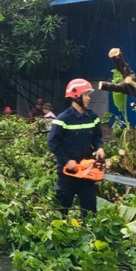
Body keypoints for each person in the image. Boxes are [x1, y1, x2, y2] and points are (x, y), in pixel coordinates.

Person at [47, 78, 105, 218]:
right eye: (85, 95)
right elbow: (53, 142)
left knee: (90, 209)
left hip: (87, 170)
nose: (88, 98)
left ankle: (90, 233)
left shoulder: (92, 117)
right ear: (75, 96)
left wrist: (99, 148)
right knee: (62, 208)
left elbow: (97, 137)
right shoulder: (63, 119)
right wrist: (66, 161)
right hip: (68, 172)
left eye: (88, 95)